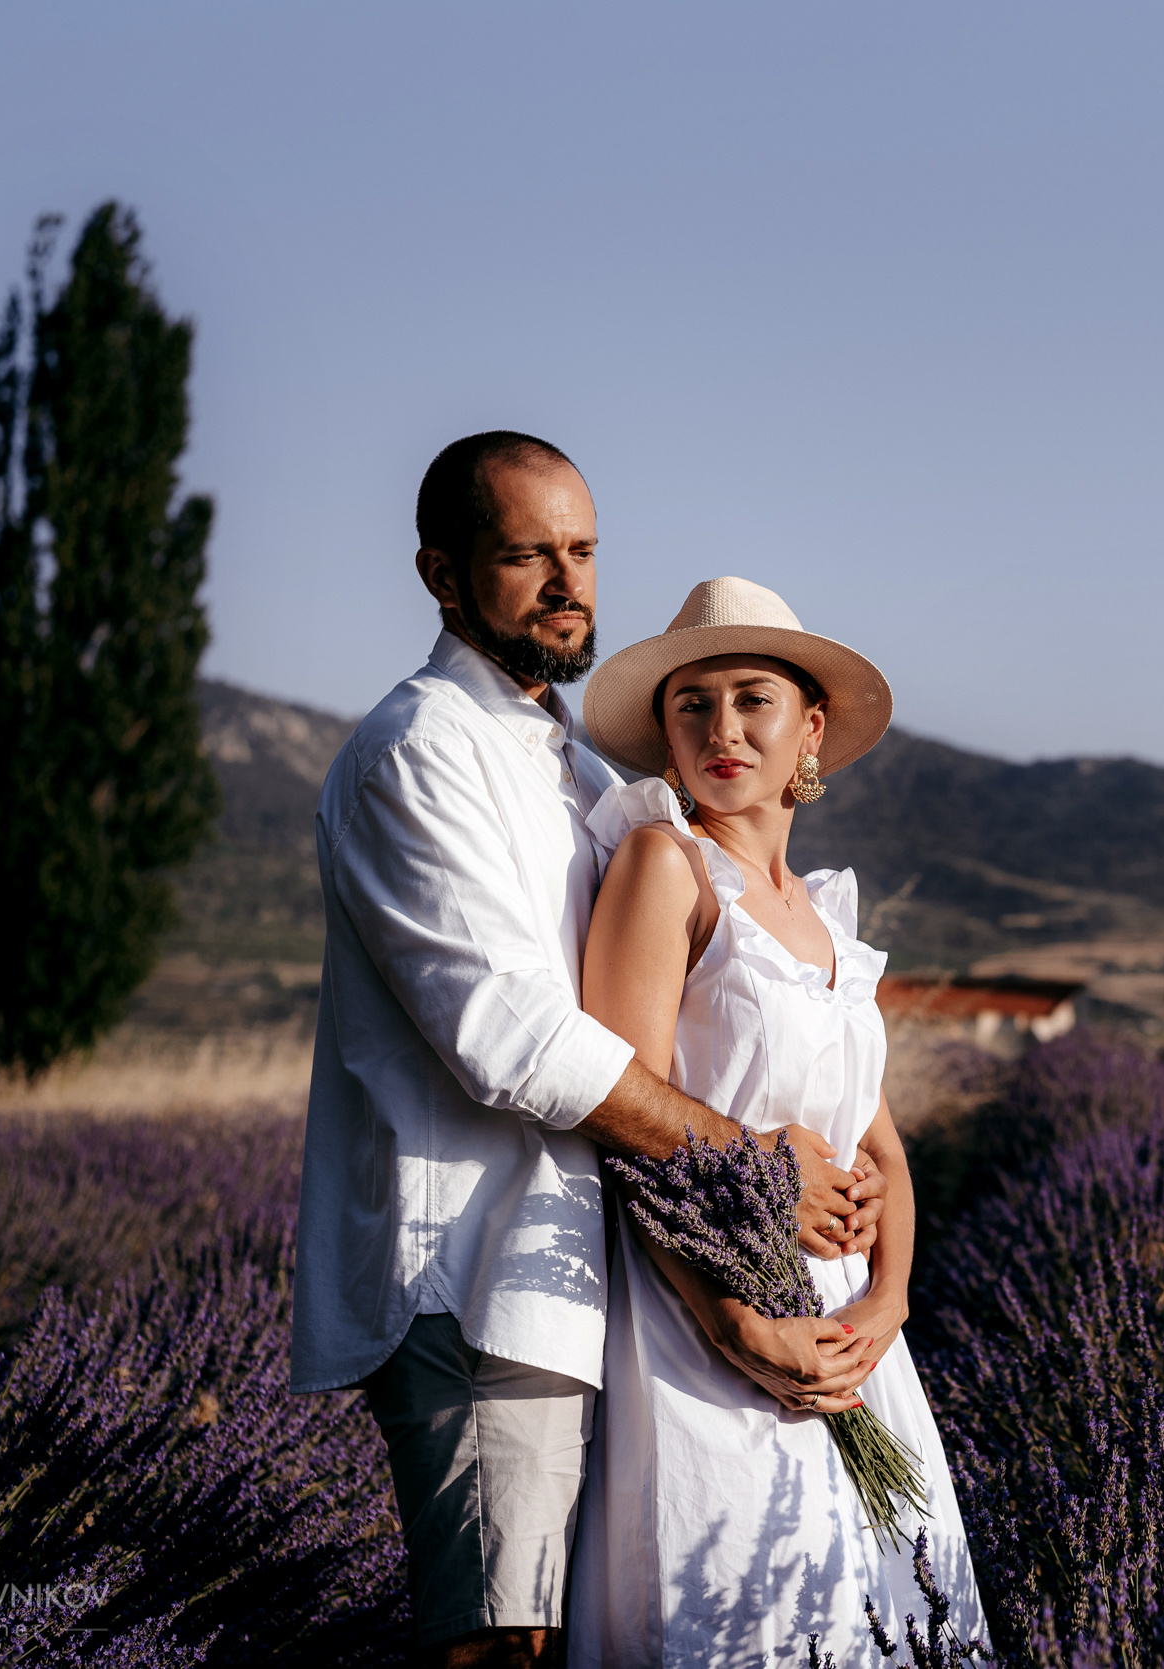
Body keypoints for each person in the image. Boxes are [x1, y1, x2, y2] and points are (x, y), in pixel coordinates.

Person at [290, 437, 886, 1669]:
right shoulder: (421, 749)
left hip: (575, 1281)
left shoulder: (563, 764)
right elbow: (509, 1040)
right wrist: (751, 1160)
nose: (568, 583)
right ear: (442, 576)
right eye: (525, 555)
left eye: (582, 551)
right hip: (475, 1267)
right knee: (497, 1644)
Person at [566, 576, 988, 1667]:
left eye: (753, 698)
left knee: (884, 1615)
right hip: (706, 1321)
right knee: (747, 1610)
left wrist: (890, 1301)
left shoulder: (820, 914)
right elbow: (623, 1120)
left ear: (811, 728)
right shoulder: (665, 867)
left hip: (851, 1336)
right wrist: (735, 1324)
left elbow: (878, 1144)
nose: (720, 728)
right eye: (691, 703)